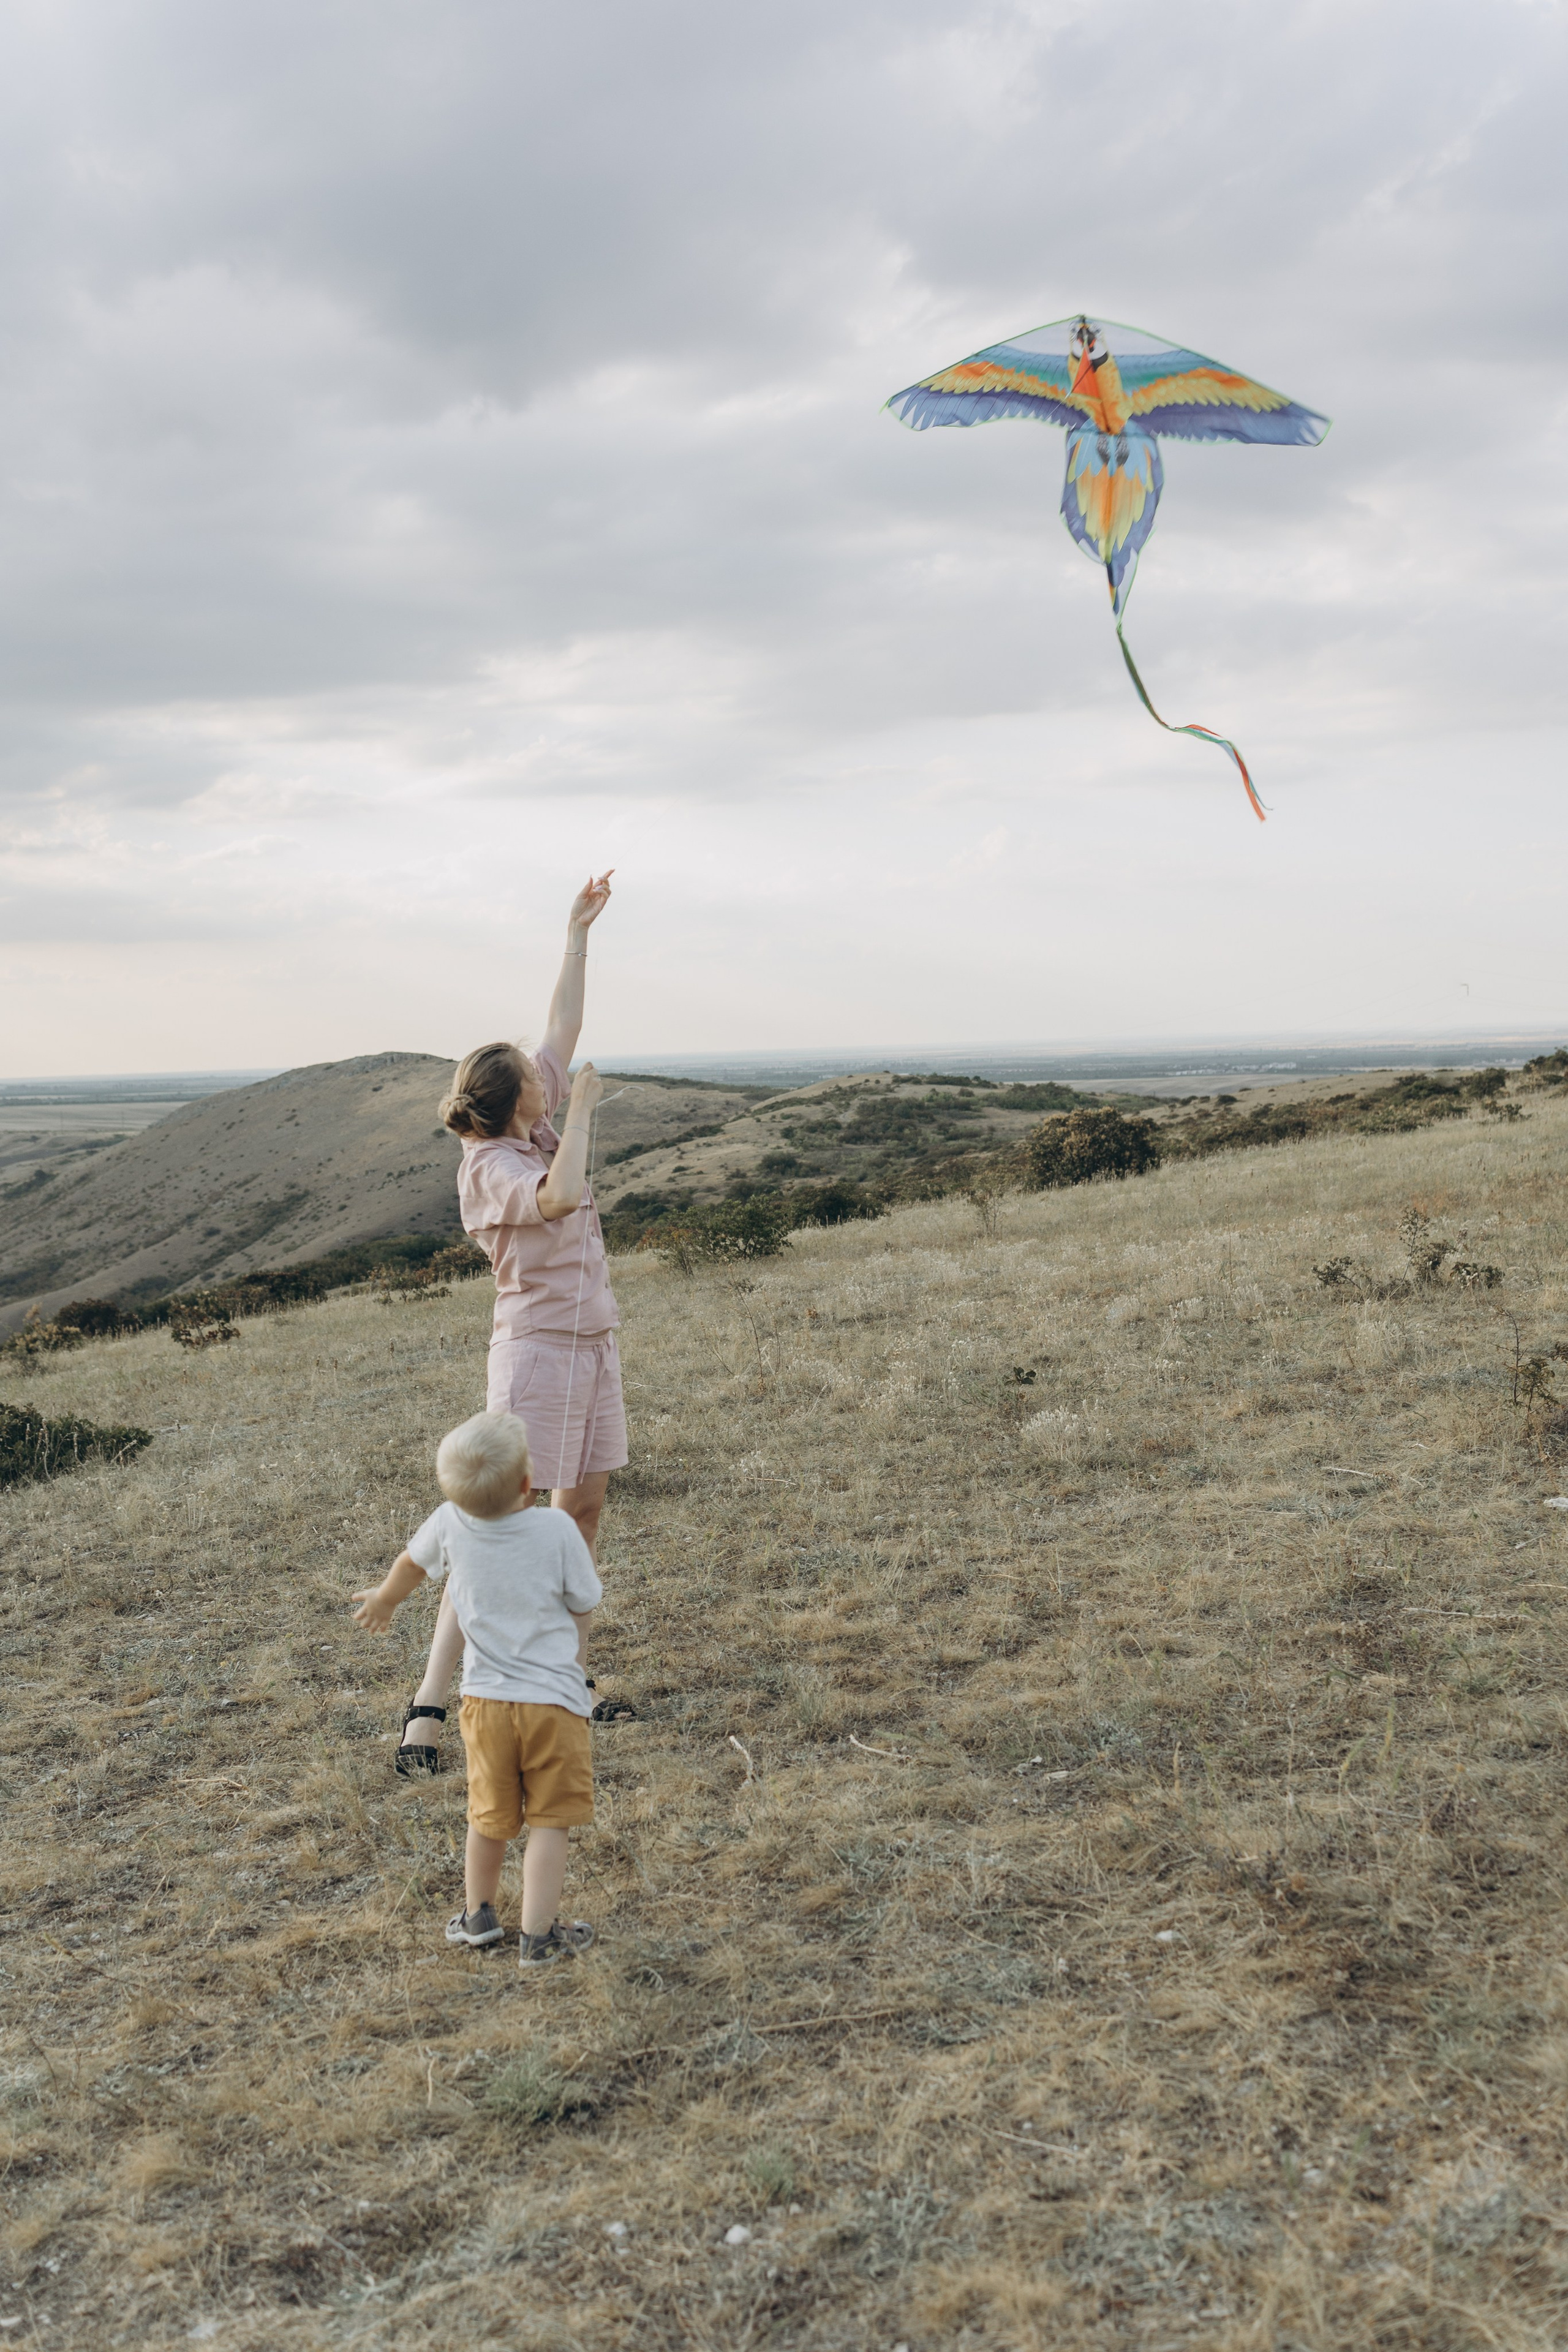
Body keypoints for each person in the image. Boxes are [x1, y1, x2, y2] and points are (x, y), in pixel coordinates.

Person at [395, 871, 625, 1777]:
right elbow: (560, 1197)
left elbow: (561, 1025)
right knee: (496, 1527)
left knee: (582, 1511)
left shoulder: (528, 1123)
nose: (549, 1073)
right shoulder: (492, 1166)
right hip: (535, 1356)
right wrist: (588, 1113)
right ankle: (428, 1706)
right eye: (537, 1079)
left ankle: (565, 1678)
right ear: (515, 1102)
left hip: (592, 1345)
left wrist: (576, 932)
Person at [353, 1412, 601, 1966]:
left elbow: (410, 1564)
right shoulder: (558, 1530)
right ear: (527, 1484)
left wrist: (386, 1600)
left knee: (487, 1814)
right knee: (550, 1822)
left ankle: (478, 1916)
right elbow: (585, 1598)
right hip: (554, 1706)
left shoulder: (449, 1523)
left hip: (485, 1705)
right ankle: (539, 1936)